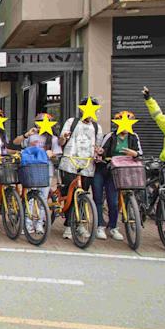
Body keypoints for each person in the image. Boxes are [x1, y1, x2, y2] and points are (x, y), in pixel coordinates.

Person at [92, 111, 143, 241]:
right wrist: (101, 152)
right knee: (98, 198)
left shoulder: (134, 137)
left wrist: (135, 154)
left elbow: (140, 154)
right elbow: (101, 151)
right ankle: (99, 226)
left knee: (113, 201)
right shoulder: (110, 136)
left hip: (117, 173)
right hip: (102, 169)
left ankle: (113, 227)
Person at [58, 98, 104, 240]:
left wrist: (99, 152)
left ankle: (80, 225)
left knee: (82, 196)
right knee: (70, 195)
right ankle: (68, 225)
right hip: (69, 163)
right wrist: (64, 137)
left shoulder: (97, 127)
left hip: (87, 165)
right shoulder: (71, 122)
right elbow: (60, 142)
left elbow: (98, 147)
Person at [13, 112, 62, 234]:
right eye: (39, 122)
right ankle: (27, 224)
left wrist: (52, 155)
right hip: (31, 171)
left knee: (43, 200)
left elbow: (57, 157)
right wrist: (26, 135)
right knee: (30, 199)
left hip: (46, 172)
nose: (41, 125)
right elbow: (16, 142)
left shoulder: (53, 139)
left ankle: (39, 224)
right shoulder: (32, 136)